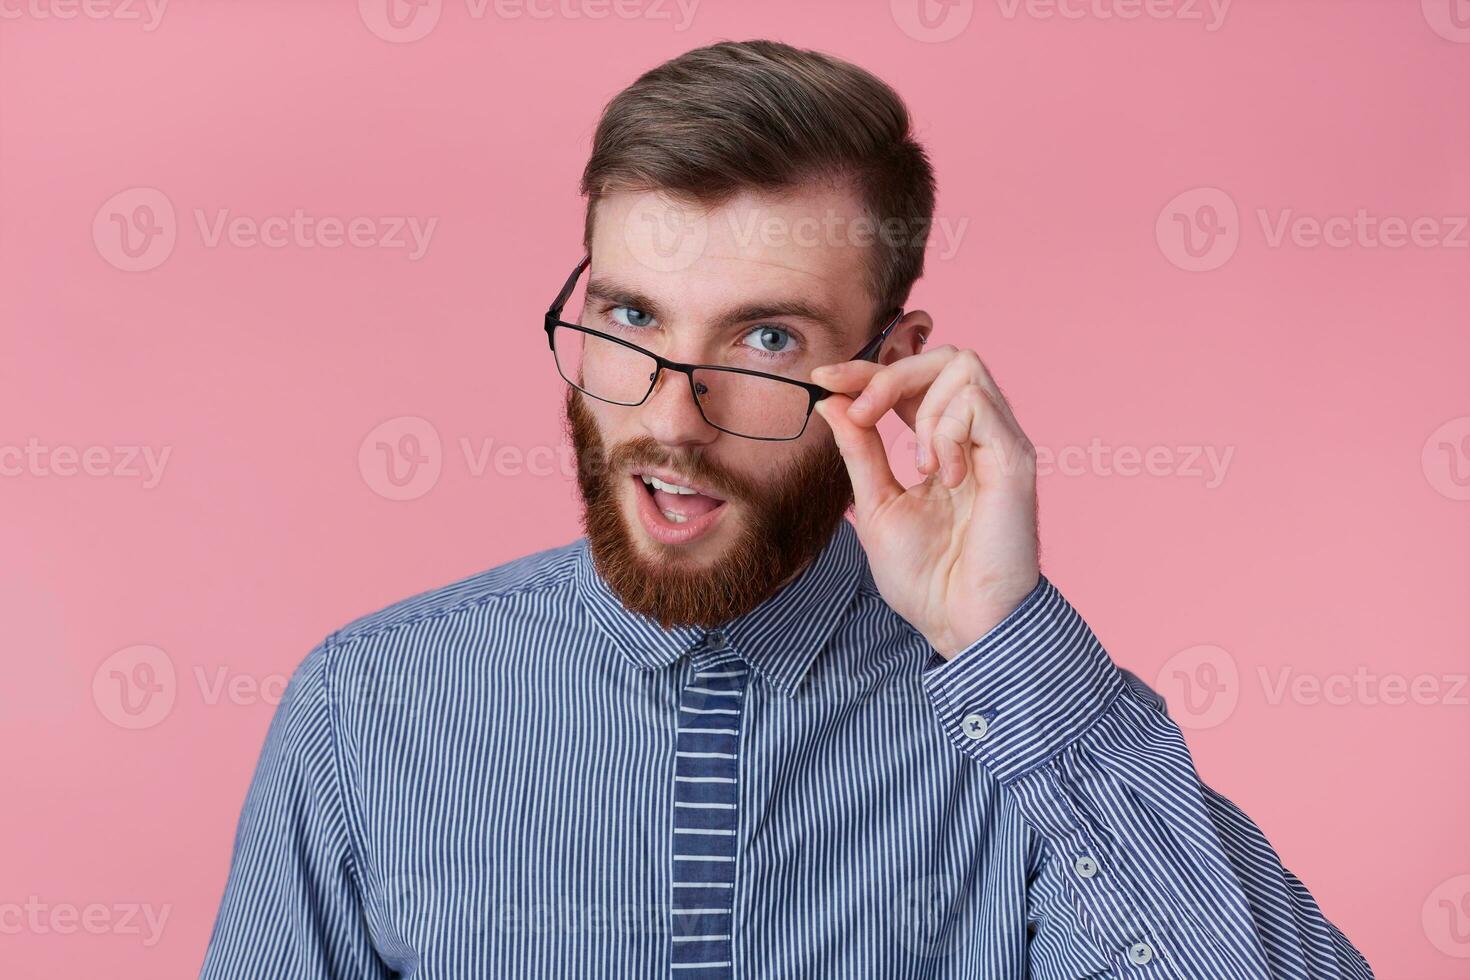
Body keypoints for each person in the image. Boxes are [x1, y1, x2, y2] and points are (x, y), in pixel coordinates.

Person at [199, 39, 1374, 979]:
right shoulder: (364, 709)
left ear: (893, 364)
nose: (671, 416)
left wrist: (1007, 646)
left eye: (765, 339)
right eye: (631, 318)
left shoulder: (1030, 744)